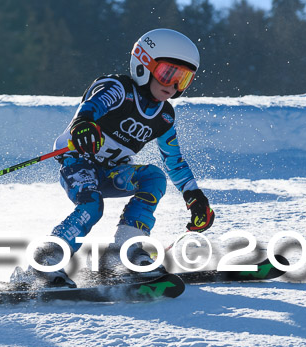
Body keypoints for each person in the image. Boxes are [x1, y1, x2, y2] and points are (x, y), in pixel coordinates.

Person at [13, 28, 214, 288]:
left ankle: (125, 253)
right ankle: (45, 263)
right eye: (168, 73)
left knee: (154, 176)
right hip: (78, 163)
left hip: (112, 173)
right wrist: (84, 123)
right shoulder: (118, 88)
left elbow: (174, 160)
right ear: (144, 65)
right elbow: (93, 104)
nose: (173, 86)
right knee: (92, 205)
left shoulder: (164, 117)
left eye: (184, 79)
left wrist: (193, 195)